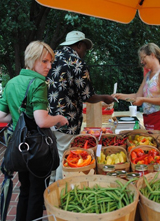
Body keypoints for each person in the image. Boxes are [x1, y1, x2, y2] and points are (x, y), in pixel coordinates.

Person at [0, 41, 68, 221]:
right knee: (37, 193)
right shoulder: (38, 83)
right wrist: (59, 118)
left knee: (25, 190)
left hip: (19, 147)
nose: (49, 66)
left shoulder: (12, 82)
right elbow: (42, 121)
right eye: (44, 61)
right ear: (33, 60)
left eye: (50, 62)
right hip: (37, 149)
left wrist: (20, 118)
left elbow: (0, 117)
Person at [47, 30, 114, 182]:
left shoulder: (49, 58)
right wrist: (105, 97)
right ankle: (58, 190)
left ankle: (49, 187)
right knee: (63, 154)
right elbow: (88, 96)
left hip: (45, 116)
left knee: (51, 153)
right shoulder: (77, 62)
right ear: (78, 45)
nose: (85, 52)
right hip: (66, 119)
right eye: (85, 48)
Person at [113, 43, 160, 133]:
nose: (142, 61)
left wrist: (143, 99)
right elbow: (138, 96)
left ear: (152, 55)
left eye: (143, 58)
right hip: (150, 119)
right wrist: (120, 96)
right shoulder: (148, 75)